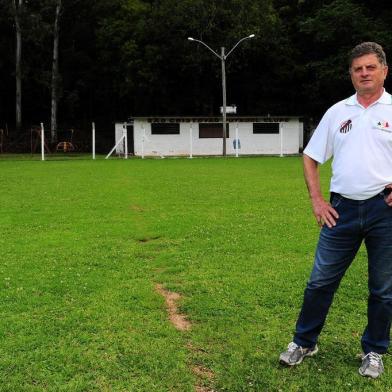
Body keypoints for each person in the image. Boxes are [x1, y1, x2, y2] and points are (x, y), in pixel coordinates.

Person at [279, 42, 392, 379]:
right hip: (340, 209)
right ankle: (304, 342)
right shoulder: (337, 112)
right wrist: (317, 200)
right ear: (351, 74)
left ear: (384, 70)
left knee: (383, 288)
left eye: (370, 67)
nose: (364, 73)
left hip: (383, 210)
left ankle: (373, 351)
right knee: (320, 281)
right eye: (358, 69)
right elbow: (310, 156)